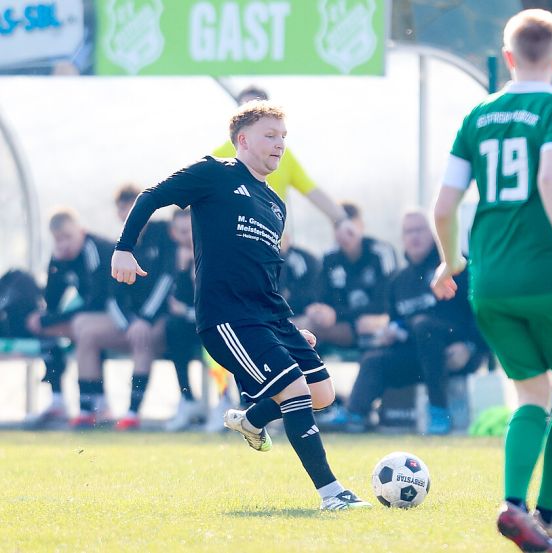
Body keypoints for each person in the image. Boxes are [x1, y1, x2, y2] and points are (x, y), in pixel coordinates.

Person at [111, 100, 370, 510]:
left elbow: (266, 272)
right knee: (297, 392)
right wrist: (124, 249)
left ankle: (251, 420)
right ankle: (331, 493)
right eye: (270, 135)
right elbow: (151, 196)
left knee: (322, 394)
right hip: (227, 317)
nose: (280, 144)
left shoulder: (275, 205)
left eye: (283, 137)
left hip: (271, 316)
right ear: (243, 140)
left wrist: (287, 330)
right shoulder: (214, 172)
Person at [430, 9, 552, 552]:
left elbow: (442, 206)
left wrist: (450, 260)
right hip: (548, 273)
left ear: (507, 57)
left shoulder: (477, 115)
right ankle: (549, 514)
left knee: (532, 392)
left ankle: (514, 506)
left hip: (490, 279)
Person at [339, 211, 485, 435]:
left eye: (420, 230)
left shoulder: (456, 265)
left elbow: (482, 313)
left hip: (457, 352)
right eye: (408, 231)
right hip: (420, 356)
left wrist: (471, 347)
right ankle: (355, 414)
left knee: (423, 325)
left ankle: (438, 410)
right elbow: (397, 323)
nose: (414, 236)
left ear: (435, 233)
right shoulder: (398, 281)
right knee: (374, 359)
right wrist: (388, 335)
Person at [75, 184, 176, 431]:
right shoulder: (119, 246)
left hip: (159, 320)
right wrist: (127, 323)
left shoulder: (163, 235)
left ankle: (132, 413)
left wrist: (145, 319)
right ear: (119, 214)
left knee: (143, 337)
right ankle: (90, 409)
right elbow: (112, 297)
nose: (130, 213)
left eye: (135, 207)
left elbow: (166, 279)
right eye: (124, 209)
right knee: (86, 332)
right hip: (132, 322)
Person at [213, 86, 355, 239]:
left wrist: (342, 220)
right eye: (244, 111)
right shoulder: (220, 155)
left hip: (272, 241)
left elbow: (312, 190)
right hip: (233, 240)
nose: (248, 118)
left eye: (254, 113)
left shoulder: (282, 154)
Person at [26, 209, 115, 426]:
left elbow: (98, 301)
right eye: (58, 239)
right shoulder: (63, 257)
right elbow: (51, 302)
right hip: (91, 318)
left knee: (82, 326)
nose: (64, 243)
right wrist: (56, 264)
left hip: (117, 316)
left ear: (81, 231)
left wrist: (50, 319)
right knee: (45, 326)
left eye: (68, 237)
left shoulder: (95, 249)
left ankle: (98, 403)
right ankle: (57, 398)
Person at [294, 202, 395, 350]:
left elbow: (386, 302)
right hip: (342, 323)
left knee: (368, 323)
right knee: (303, 325)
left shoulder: (381, 253)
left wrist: (336, 314)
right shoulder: (330, 258)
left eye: (349, 229)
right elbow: (320, 297)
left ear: (360, 226)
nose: (343, 235)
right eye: (337, 228)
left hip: (372, 323)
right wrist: (318, 311)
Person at [162, 209, 208, 432]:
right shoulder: (172, 259)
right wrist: (182, 270)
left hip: (214, 323)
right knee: (173, 327)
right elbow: (174, 304)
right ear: (173, 233)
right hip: (188, 324)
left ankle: (226, 401)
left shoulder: (213, 253)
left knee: (216, 334)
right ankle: (187, 398)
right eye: (182, 232)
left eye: (191, 230)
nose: (187, 236)